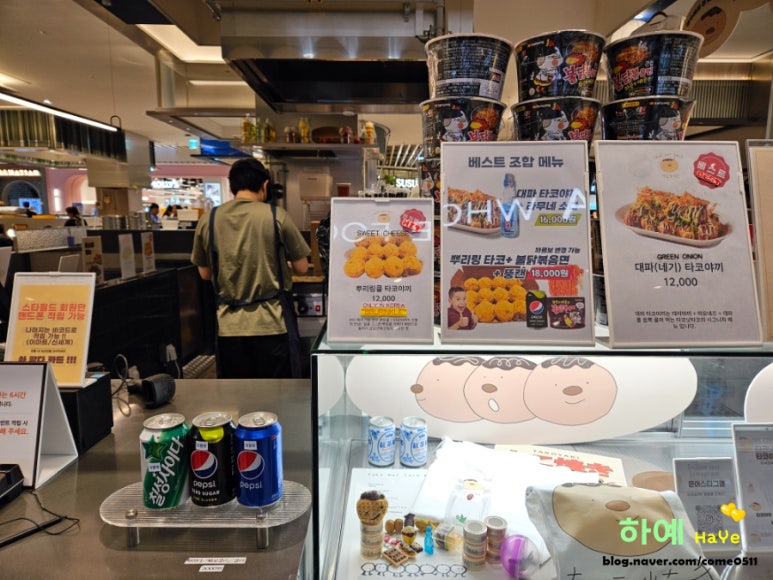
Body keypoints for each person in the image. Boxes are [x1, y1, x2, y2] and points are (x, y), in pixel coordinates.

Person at [191, 158, 310, 379]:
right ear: (265, 185)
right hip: (273, 324)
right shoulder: (276, 216)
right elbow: (302, 267)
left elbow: (205, 273)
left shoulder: (209, 219)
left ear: (232, 186)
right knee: (279, 392)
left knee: (238, 392)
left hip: (229, 327)